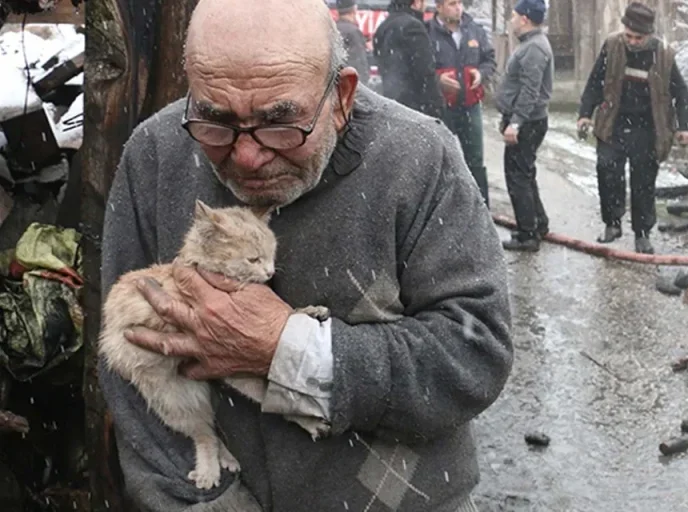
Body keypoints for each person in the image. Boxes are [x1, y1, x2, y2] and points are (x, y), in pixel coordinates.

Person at [98, 0, 513, 510]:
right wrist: (202, 503)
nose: (247, 156)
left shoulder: (420, 159)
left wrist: (287, 350)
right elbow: (125, 372)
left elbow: (475, 356)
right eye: (216, 121)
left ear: (341, 97)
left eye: (281, 123)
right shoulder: (155, 154)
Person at [577, 2, 688, 254]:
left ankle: (642, 233)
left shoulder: (663, 55)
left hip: (648, 127)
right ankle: (612, 223)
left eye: (638, 37)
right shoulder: (612, 46)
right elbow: (595, 81)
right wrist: (585, 114)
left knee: (643, 182)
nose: (632, 41)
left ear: (649, 34)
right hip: (613, 123)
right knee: (607, 170)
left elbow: (681, 93)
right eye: (628, 35)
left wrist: (684, 126)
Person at [495, 0, 553, 252]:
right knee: (525, 173)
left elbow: (531, 90)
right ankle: (537, 223)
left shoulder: (534, 49)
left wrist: (516, 123)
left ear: (525, 19)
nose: (511, 19)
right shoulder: (531, 44)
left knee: (518, 177)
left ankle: (528, 234)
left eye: (515, 15)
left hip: (527, 122)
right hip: (527, 120)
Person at [427, 0, 496, 207]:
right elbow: (420, 69)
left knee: (475, 160)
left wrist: (481, 73)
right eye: (451, 3)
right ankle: (445, 209)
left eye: (459, 3)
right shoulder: (427, 33)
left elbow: (490, 60)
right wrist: (437, 80)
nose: (458, 8)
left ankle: (481, 208)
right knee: (441, 160)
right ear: (438, 7)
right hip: (441, 108)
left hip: (470, 106)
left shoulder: (474, 30)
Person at [373, 0, 445, 117]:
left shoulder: (383, 26)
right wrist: (437, 107)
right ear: (416, 3)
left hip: (392, 105)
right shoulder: (414, 27)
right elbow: (425, 72)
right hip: (415, 108)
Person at [335, 0, 371, 82]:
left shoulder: (333, 28)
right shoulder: (354, 32)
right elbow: (360, 63)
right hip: (350, 83)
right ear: (354, 10)